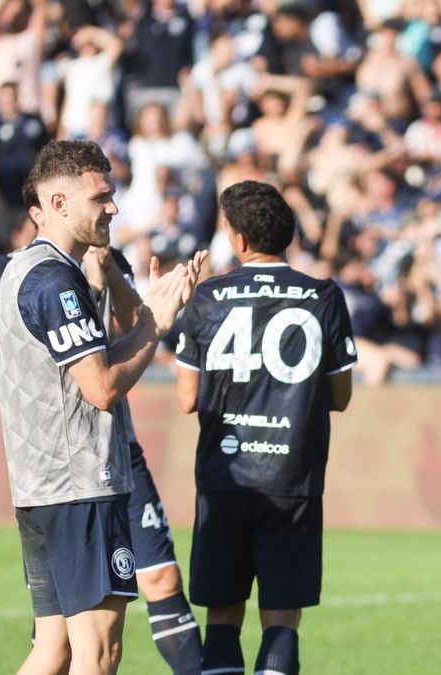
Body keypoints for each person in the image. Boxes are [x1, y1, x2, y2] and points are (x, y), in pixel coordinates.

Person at [0, 139, 200, 674]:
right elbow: (102, 388)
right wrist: (154, 320)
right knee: (99, 652)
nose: (113, 207)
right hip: (80, 488)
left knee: (53, 650)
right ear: (58, 204)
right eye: (100, 197)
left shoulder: (21, 270)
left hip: (42, 491)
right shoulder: (55, 281)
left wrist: (153, 314)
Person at [175, 180, 358, 675]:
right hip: (291, 480)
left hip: (224, 478)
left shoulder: (208, 296)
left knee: (221, 621)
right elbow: (339, 398)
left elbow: (187, 398)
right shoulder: (324, 296)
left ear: (237, 240)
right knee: (281, 622)